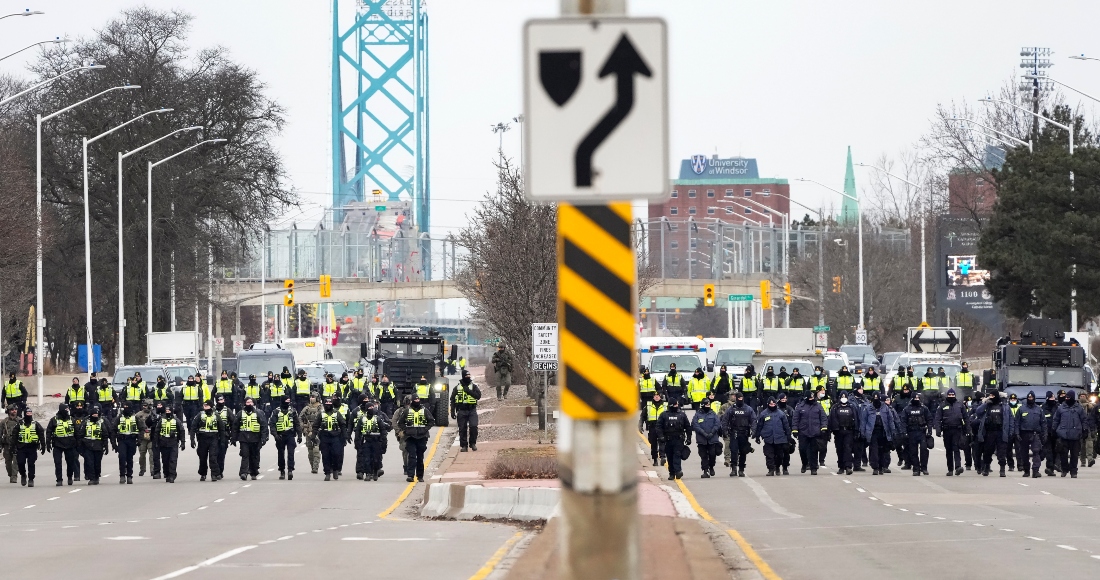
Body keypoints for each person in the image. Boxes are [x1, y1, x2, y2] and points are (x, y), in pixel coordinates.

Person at [395, 395, 433, 482]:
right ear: (412, 401)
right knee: (412, 456)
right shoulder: (407, 411)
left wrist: (425, 429)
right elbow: (400, 422)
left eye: (418, 399)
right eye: (415, 399)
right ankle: (410, 475)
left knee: (420, 457)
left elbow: (431, 421)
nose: (417, 400)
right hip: (410, 437)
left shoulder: (425, 410)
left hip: (422, 437)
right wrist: (406, 430)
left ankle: (420, 476)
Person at [974, 391, 1013, 477]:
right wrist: (985, 403)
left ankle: (1002, 469)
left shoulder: (1005, 407)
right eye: (990, 395)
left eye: (992, 395)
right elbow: (978, 411)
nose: (991, 397)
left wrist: (1010, 432)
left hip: (1001, 432)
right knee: (988, 451)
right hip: (989, 432)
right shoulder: (988, 406)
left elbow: (1010, 420)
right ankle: (986, 468)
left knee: (1002, 452)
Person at [860, 393, 898, 475]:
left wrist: (893, 431)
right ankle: (875, 467)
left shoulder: (885, 408)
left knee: (883, 450)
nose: (876, 400)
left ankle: (881, 467)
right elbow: (863, 421)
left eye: (877, 398)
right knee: (874, 450)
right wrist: (863, 433)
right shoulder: (868, 408)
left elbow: (890, 420)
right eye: (874, 398)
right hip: (873, 432)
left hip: (883, 432)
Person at [934, 389, 969, 476]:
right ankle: (950, 469)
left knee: (956, 448)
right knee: (948, 450)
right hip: (946, 430)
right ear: (947, 396)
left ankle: (958, 467)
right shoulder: (942, 405)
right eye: (949, 395)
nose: (951, 397)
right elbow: (937, 418)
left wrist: (968, 429)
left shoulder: (960, 405)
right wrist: (938, 430)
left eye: (952, 395)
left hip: (957, 429)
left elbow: (966, 418)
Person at [1053, 389, 1087, 478]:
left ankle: (1073, 471)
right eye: (1066, 397)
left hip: (1075, 435)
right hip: (1063, 435)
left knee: (1074, 455)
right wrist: (1054, 429)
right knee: (1063, 455)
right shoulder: (1061, 408)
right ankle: (1064, 469)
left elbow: (1084, 420)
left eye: (1069, 397)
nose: (1067, 398)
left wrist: (1085, 430)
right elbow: (1056, 419)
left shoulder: (1079, 408)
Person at [755, 397, 792, 477]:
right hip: (768, 438)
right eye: (771, 404)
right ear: (768, 404)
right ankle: (771, 470)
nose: (772, 405)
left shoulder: (781, 414)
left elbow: (786, 426)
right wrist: (757, 436)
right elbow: (759, 426)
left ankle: (777, 467)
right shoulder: (763, 414)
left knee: (779, 455)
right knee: (769, 455)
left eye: (774, 404)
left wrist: (789, 437)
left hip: (780, 438)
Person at [721, 391, 755, 477]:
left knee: (743, 452)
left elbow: (753, 420)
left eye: (741, 398)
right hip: (734, 433)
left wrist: (754, 430)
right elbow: (725, 420)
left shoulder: (748, 409)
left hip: (744, 433)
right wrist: (724, 431)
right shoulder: (731, 409)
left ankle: (741, 469)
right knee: (734, 451)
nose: (740, 400)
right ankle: (733, 469)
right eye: (738, 398)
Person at [354, 401, 391, 481]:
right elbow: (358, 431)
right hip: (366, 441)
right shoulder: (362, 419)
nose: (372, 409)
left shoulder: (377, 419)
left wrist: (384, 442)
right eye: (370, 407)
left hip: (376, 441)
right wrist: (357, 442)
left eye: (372, 407)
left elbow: (383, 431)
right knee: (366, 458)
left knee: (376, 458)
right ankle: (368, 473)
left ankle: (375, 472)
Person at [793, 391, 827, 475]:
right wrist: (794, 429)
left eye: (812, 397)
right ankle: (805, 464)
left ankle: (813, 468)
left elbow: (823, 417)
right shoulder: (800, 407)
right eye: (810, 398)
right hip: (803, 432)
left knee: (814, 451)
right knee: (802, 449)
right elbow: (795, 419)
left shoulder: (818, 406)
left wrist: (823, 427)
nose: (812, 399)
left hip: (815, 432)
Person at [1014, 391, 1045, 479]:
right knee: (1024, 453)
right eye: (1029, 398)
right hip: (1024, 434)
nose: (1030, 399)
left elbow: (1043, 423)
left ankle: (1035, 470)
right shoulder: (1021, 409)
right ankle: (1026, 470)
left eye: (1032, 398)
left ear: (1034, 398)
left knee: (1036, 451)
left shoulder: (1039, 409)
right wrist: (1017, 433)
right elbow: (1017, 422)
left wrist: (1044, 434)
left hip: (1035, 433)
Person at [190, 402, 225, 482]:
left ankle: (214, 474)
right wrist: (192, 440)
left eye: (207, 406)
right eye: (204, 406)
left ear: (211, 406)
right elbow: (193, 427)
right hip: (202, 439)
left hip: (213, 438)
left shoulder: (216, 416)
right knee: (202, 457)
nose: (205, 407)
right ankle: (203, 474)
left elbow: (222, 429)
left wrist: (222, 441)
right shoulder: (200, 415)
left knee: (213, 457)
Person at [656, 399, 690, 480]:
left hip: (679, 439)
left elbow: (688, 427)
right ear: (671, 405)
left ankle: (678, 471)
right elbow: (658, 426)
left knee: (677, 455)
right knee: (670, 457)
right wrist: (661, 436)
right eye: (675, 405)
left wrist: (689, 438)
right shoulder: (664, 415)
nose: (677, 406)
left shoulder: (682, 415)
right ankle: (671, 473)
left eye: (677, 404)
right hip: (667, 440)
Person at [270, 396, 302, 480]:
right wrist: (275, 435)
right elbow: (272, 424)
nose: (288, 402)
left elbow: (297, 424)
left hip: (290, 435)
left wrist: (299, 435)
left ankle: (290, 470)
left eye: (289, 401)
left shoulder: (292, 411)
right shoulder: (276, 411)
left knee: (291, 453)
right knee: (281, 454)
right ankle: (282, 471)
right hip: (280, 435)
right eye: (287, 401)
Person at [235, 397, 268, 481]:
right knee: (245, 455)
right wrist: (234, 438)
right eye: (247, 402)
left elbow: (264, 426)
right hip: (244, 438)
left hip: (255, 438)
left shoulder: (259, 413)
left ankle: (254, 472)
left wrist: (264, 437)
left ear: (254, 403)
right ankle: (243, 473)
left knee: (254, 455)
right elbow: (235, 426)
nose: (249, 403)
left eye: (251, 402)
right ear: (244, 403)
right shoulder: (240, 413)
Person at [46, 403, 79, 486]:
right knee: (58, 463)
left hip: (70, 444)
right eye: (66, 409)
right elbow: (49, 432)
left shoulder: (72, 419)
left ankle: (70, 477)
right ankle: (59, 480)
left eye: (68, 409)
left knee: (70, 462)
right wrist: (48, 443)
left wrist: (78, 443)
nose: (67, 411)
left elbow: (77, 432)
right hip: (58, 444)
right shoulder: (54, 420)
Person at [315, 398, 348, 481]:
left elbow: (343, 424)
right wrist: (313, 436)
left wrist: (345, 436)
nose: (328, 405)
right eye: (326, 403)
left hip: (335, 436)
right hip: (324, 437)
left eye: (330, 403)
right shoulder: (321, 414)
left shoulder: (337, 413)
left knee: (336, 454)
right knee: (325, 456)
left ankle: (335, 470)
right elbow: (315, 425)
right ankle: (327, 473)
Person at [829, 392, 860, 475]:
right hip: (838, 431)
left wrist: (856, 430)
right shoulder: (835, 407)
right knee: (839, 449)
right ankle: (841, 467)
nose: (843, 398)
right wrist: (831, 430)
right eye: (842, 396)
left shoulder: (852, 407)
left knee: (848, 448)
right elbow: (831, 419)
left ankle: (848, 467)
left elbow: (856, 419)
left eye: (845, 396)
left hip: (849, 431)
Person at [153, 406, 185, 483]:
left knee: (173, 460)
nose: (167, 412)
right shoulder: (162, 420)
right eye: (166, 411)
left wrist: (183, 442)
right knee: (165, 460)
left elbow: (181, 431)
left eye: (169, 411)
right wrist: (156, 442)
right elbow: (157, 431)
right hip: (163, 442)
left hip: (173, 442)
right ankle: (167, 474)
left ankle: (172, 475)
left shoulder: (176, 420)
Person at [451, 372, 481, 452]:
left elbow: (478, 396)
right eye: (466, 375)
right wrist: (452, 411)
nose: (468, 377)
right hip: (461, 410)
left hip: (472, 409)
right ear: (463, 376)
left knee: (474, 426)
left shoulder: (473, 386)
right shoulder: (457, 387)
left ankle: (472, 443)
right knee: (462, 429)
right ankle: (464, 446)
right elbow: (452, 400)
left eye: (469, 375)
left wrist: (468, 391)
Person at [692, 396, 721, 478]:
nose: (708, 406)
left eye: (709, 404)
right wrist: (703, 433)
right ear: (702, 405)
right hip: (702, 439)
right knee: (703, 455)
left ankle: (711, 467)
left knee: (712, 454)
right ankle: (705, 470)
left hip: (712, 439)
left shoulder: (713, 413)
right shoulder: (697, 414)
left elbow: (717, 424)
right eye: (706, 404)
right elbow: (695, 425)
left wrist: (712, 433)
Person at [902, 393, 931, 476]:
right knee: (913, 452)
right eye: (915, 398)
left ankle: (924, 468)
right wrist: (904, 432)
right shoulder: (907, 409)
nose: (917, 399)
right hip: (911, 433)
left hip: (921, 432)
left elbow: (929, 419)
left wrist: (929, 431)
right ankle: (916, 469)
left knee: (924, 450)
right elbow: (903, 421)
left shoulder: (924, 408)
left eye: (918, 398)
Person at [14, 408, 44, 487]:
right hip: (21, 447)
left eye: (30, 413)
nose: (29, 414)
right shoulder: (20, 424)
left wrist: (43, 446)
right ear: (25, 414)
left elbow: (41, 434)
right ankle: (23, 475)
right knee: (20, 462)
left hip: (32, 447)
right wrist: (13, 447)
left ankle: (31, 479)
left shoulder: (35, 424)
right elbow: (14, 436)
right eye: (28, 413)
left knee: (31, 463)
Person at [78, 406, 108, 485]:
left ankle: (97, 477)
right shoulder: (85, 423)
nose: (95, 416)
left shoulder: (101, 423)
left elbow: (105, 435)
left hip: (98, 446)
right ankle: (91, 478)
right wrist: (80, 446)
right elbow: (80, 435)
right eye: (93, 415)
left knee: (97, 463)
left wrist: (106, 446)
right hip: (88, 446)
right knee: (89, 462)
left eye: (96, 415)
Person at [112, 404, 140, 484]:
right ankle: (122, 476)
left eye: (127, 407)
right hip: (122, 440)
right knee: (122, 458)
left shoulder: (135, 418)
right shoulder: (119, 418)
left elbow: (142, 428)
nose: (126, 409)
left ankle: (129, 476)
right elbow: (113, 430)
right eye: (125, 407)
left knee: (129, 459)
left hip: (132, 440)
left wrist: (139, 440)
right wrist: (114, 443)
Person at [641, 392, 667, 467]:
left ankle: (662, 457)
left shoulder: (665, 405)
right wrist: (641, 425)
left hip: (662, 427)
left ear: (660, 397)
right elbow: (643, 416)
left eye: (658, 396)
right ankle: (655, 459)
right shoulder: (648, 405)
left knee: (662, 442)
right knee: (653, 444)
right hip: (652, 427)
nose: (656, 397)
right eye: (655, 396)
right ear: (653, 397)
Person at [299, 393, 322, 474]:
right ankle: (312, 466)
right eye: (311, 397)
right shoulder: (306, 408)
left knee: (316, 449)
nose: (311, 398)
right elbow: (300, 418)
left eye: (313, 397)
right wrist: (304, 427)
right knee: (310, 451)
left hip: (317, 432)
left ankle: (316, 467)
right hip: (308, 432)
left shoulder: (321, 408)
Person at [1042, 391, 1061, 476]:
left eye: (1053, 398)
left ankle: (1055, 465)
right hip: (1047, 432)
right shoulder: (1043, 408)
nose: (1052, 399)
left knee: (1056, 450)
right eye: (1050, 398)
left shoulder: (1058, 407)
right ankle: (1049, 467)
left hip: (1057, 432)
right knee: (1048, 450)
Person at [1, 405, 21, 483]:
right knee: (8, 462)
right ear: (9, 411)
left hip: (17, 445)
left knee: (16, 461)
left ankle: (14, 476)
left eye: (15, 409)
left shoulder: (20, 421)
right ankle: (11, 474)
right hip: (7, 445)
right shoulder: (4, 422)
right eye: (12, 410)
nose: (14, 411)